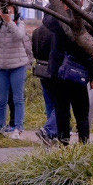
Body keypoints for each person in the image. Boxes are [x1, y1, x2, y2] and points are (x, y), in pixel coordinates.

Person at [0, 2, 33, 135]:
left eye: (10, 10)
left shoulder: (19, 23)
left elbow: (19, 36)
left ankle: (18, 127)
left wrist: (9, 21)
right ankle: (0, 126)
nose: (7, 13)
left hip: (17, 65)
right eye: (5, 10)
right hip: (1, 66)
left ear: (15, 11)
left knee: (18, 98)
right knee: (1, 99)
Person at [49, 16, 93, 144]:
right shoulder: (84, 31)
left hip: (61, 74)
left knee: (62, 111)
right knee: (81, 112)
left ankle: (64, 141)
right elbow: (90, 56)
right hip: (79, 76)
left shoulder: (59, 27)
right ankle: (83, 142)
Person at [31, 10, 59, 141]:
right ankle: (49, 130)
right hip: (55, 70)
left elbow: (34, 52)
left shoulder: (36, 32)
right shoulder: (56, 31)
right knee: (61, 102)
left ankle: (52, 133)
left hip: (41, 70)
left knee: (49, 103)